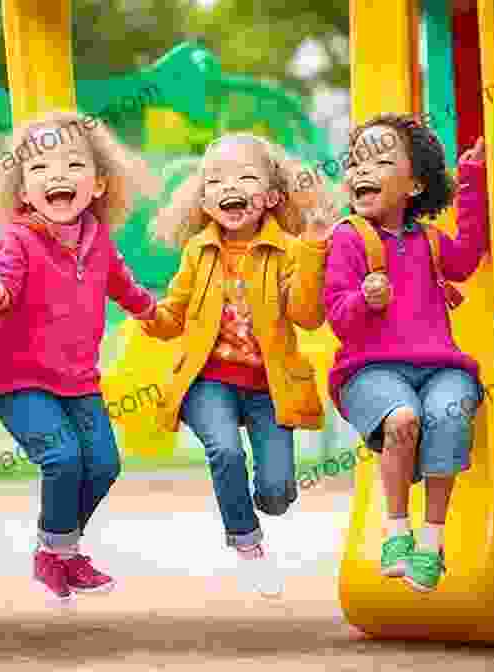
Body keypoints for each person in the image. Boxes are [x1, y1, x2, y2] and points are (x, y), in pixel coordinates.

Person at [0, 110, 159, 604]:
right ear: (23, 193)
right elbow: (5, 285)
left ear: (98, 184)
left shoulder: (99, 240)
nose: (57, 176)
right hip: (17, 377)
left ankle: (59, 549)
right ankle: (58, 551)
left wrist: (155, 313)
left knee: (103, 464)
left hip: (78, 379)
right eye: (39, 169)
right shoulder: (18, 239)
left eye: (73, 165)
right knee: (62, 457)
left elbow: (125, 288)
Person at [141, 132, 338, 598]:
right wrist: (147, 313)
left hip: (270, 387)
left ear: (270, 196)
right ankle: (247, 544)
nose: (230, 186)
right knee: (225, 452)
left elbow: (308, 316)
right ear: (204, 199)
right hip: (209, 382)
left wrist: (312, 250)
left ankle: (268, 500)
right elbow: (172, 316)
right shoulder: (197, 252)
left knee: (276, 492)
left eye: (246, 177)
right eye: (215, 180)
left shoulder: (291, 249)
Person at [323, 113, 488, 592]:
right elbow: (338, 315)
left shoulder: (431, 243)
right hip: (369, 371)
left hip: (442, 367)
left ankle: (432, 543)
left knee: (450, 413)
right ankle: (397, 531)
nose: (362, 171)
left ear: (414, 185)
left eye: (380, 160)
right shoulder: (348, 238)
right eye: (356, 163)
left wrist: (473, 180)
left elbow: (469, 254)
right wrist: (364, 300)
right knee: (401, 419)